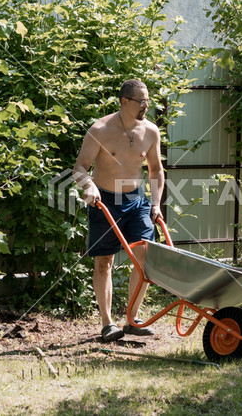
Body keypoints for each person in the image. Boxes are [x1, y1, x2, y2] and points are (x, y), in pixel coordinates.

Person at [73, 79, 164, 341]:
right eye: (141, 100)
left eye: (148, 99)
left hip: (137, 201)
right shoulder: (100, 129)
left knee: (143, 257)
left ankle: (132, 319)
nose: (147, 104)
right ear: (125, 101)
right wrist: (88, 185)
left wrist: (156, 204)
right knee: (104, 263)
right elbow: (79, 167)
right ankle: (107, 323)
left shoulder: (150, 131)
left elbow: (156, 170)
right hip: (105, 201)